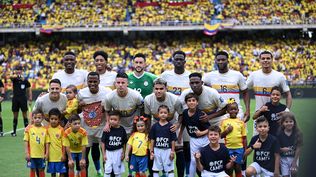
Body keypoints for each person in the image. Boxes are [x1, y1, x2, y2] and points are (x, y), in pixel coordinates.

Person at [160, 50, 191, 177]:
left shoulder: (189, 76)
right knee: (164, 146)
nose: (178, 61)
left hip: (184, 115)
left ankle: (187, 172)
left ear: (185, 61)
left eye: (180, 59)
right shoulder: (166, 75)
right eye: (176, 59)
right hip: (168, 116)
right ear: (173, 61)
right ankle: (165, 172)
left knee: (186, 146)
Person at [77, 72, 112, 177]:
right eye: (90, 81)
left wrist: (105, 108)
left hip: (102, 127)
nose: (92, 84)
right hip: (86, 127)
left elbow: (111, 109)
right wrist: (79, 105)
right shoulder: (82, 93)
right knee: (85, 153)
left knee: (105, 154)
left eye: (94, 81)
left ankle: (107, 174)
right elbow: (77, 110)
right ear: (87, 82)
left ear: (99, 82)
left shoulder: (107, 92)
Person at [203, 50, 250, 122]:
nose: (220, 62)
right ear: (215, 61)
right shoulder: (209, 76)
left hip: (235, 113)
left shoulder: (237, 75)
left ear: (228, 61)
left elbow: (245, 92)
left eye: (223, 60)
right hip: (217, 114)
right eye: (218, 60)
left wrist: (247, 110)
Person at [178, 93, 210, 177]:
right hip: (193, 140)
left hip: (205, 139)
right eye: (189, 101)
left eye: (193, 100)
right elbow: (184, 124)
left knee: (205, 159)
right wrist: (180, 135)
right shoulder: (185, 113)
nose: (191, 102)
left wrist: (201, 133)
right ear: (186, 103)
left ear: (197, 102)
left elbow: (210, 129)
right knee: (193, 160)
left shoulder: (201, 114)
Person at [220, 99, 246, 177]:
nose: (233, 111)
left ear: (238, 110)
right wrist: (227, 130)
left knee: (238, 167)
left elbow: (244, 137)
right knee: (229, 168)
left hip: (239, 148)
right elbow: (221, 135)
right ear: (227, 111)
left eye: (235, 109)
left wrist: (245, 149)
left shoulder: (241, 122)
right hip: (228, 148)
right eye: (231, 109)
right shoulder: (224, 122)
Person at [150, 105, 177, 177]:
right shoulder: (154, 126)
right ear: (158, 114)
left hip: (167, 150)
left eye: (165, 113)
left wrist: (172, 151)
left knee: (169, 168)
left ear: (168, 114)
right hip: (157, 150)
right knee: (156, 168)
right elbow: (152, 139)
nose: (163, 114)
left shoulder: (171, 126)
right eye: (161, 112)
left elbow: (173, 140)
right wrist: (151, 151)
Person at [101, 110, 127, 177]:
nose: (112, 121)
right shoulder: (107, 129)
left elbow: (124, 143)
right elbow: (103, 143)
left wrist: (123, 153)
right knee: (107, 170)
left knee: (117, 171)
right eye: (111, 119)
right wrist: (104, 154)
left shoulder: (122, 130)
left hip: (118, 152)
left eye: (115, 119)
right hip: (108, 152)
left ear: (119, 121)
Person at [24, 110, 49, 177]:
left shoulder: (45, 129)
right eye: (35, 118)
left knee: (41, 169)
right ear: (32, 118)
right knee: (32, 169)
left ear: (42, 118)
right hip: (32, 155)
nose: (37, 119)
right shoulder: (28, 129)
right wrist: (27, 153)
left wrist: (47, 153)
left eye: (39, 118)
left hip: (41, 155)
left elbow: (47, 143)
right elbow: (26, 141)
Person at [277, 112, 303, 177]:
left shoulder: (298, 133)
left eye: (291, 121)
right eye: (286, 122)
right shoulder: (279, 134)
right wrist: (281, 149)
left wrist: (294, 162)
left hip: (294, 158)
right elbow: (276, 148)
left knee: (294, 173)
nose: (289, 123)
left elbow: (299, 147)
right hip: (283, 159)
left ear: (294, 123)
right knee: (285, 175)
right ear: (282, 123)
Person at [11, 65, 32, 136]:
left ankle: (26, 131)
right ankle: (14, 132)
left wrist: (30, 99)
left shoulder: (26, 81)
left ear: (22, 71)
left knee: (25, 115)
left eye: (20, 70)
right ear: (16, 71)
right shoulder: (14, 79)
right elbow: (11, 77)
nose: (18, 71)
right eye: (17, 70)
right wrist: (18, 76)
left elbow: (29, 90)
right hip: (15, 99)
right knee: (15, 115)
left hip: (23, 99)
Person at [47, 108, 66, 177]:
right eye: (52, 119)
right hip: (51, 156)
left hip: (59, 156)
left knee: (62, 172)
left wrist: (63, 155)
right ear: (49, 119)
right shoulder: (47, 129)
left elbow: (64, 144)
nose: (53, 121)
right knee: (53, 173)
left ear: (59, 120)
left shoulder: (61, 130)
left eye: (56, 119)